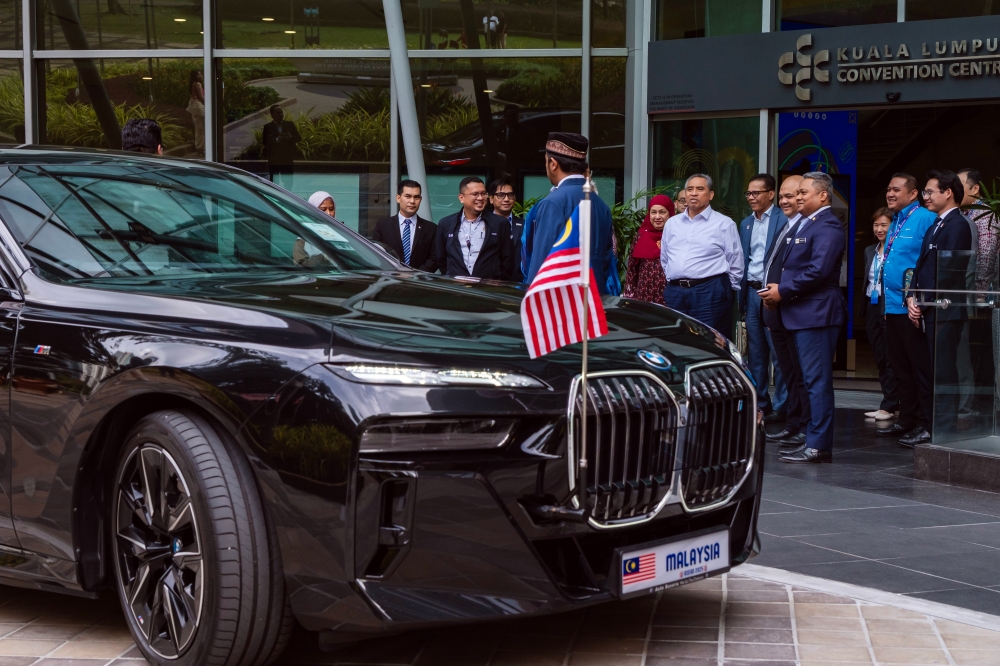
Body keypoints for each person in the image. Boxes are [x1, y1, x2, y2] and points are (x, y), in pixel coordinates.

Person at [761, 172, 846, 464]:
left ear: (823, 195)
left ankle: (819, 445)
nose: (797, 198)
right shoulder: (810, 224)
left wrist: (782, 291)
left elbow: (818, 271)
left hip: (817, 314)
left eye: (803, 193)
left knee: (817, 381)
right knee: (808, 380)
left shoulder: (828, 225)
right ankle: (811, 439)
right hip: (800, 314)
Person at [908, 170, 974, 441]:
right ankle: (928, 424)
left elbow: (949, 271)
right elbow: (922, 265)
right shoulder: (936, 224)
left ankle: (942, 428)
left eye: (929, 191)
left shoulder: (957, 225)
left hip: (944, 309)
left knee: (943, 371)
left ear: (948, 192)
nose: (925, 197)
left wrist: (924, 301)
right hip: (928, 307)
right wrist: (912, 296)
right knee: (927, 370)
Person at [874, 174, 937, 446]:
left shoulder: (924, 218)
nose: (890, 194)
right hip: (891, 306)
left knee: (917, 367)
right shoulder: (896, 219)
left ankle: (925, 422)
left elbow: (929, 261)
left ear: (913, 194)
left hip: (912, 307)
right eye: (888, 189)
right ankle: (907, 418)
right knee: (899, 368)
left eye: (896, 190)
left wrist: (919, 297)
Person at [522, 132, 617, 294]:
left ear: (553, 164)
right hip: (593, 302)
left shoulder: (552, 202)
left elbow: (541, 265)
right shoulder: (602, 206)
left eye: (545, 161)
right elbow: (607, 264)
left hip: (560, 304)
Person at [659, 174, 743, 336]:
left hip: (710, 292)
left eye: (700, 189)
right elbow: (665, 258)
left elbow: (735, 261)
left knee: (709, 340)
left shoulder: (724, 224)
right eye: (690, 189)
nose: (694, 193)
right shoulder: (672, 223)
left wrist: (725, 289)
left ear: (711, 195)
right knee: (676, 339)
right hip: (676, 292)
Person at [762, 175, 811, 452]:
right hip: (774, 311)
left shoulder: (810, 227)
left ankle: (804, 426)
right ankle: (793, 424)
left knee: (802, 375)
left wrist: (780, 295)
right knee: (789, 374)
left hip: (793, 310)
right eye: (782, 196)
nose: (785, 201)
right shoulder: (785, 225)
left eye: (791, 196)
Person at [738, 173, 788, 423]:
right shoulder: (746, 223)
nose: (751, 197)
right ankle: (761, 402)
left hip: (772, 292)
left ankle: (783, 404)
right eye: (748, 193)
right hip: (750, 291)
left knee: (779, 352)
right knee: (755, 353)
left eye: (756, 193)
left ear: (771, 194)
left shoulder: (783, 220)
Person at [958, 168, 998, 416]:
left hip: (981, 296)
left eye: (959, 184)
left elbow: (986, 255)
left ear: (975, 189)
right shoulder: (964, 213)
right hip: (966, 293)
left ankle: (980, 404)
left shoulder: (985, 214)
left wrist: (979, 293)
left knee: (979, 350)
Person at [436, 176, 512, 280]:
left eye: (483, 194)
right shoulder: (446, 223)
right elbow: (441, 259)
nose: (480, 198)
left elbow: (507, 259)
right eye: (475, 194)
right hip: (457, 287)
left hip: (488, 288)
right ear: (461, 198)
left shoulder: (500, 223)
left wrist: (497, 281)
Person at [863, 208, 899, 421]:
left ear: (893, 226)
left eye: (884, 225)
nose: (879, 229)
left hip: (890, 305)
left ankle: (891, 404)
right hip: (872, 305)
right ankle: (888, 401)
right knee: (878, 355)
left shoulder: (895, 251)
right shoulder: (869, 250)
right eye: (876, 225)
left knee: (890, 357)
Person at [372, 180, 438, 272]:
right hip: (390, 280)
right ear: (398, 198)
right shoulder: (383, 225)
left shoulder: (431, 228)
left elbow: (434, 258)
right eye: (408, 196)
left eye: (416, 197)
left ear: (420, 199)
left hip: (419, 281)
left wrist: (416, 275)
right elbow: (376, 254)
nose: (412, 201)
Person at [623, 194, 674, 304]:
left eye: (662, 212)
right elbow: (632, 269)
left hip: (670, 295)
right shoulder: (641, 236)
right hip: (644, 295)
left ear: (670, 213)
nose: (657, 216)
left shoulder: (676, 236)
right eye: (653, 212)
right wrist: (630, 294)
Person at [488, 177, 524, 282]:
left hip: (518, 283)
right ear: (491, 199)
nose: (507, 199)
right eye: (501, 195)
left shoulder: (524, 224)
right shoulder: (482, 224)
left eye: (510, 195)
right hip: (490, 284)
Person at [262, 105, 301, 181]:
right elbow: (264, 142)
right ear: (272, 115)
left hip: (287, 160)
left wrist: (290, 138)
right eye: (278, 113)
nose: (281, 114)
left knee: (288, 182)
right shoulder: (268, 127)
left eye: (281, 112)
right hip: (274, 160)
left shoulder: (289, 124)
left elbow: (298, 138)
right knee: (274, 183)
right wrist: (277, 139)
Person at [187, 70, 205, 156]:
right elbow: (201, 97)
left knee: (198, 129)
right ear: (195, 76)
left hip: (193, 106)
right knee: (202, 128)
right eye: (199, 74)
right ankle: (202, 148)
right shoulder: (198, 84)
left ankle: (198, 147)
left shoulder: (192, 84)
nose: (200, 75)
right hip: (199, 106)